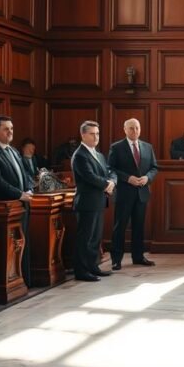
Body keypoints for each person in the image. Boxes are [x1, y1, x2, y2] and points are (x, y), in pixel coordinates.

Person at [0, 115, 34, 284]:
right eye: (6, 129)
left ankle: (22, 279)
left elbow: (23, 173)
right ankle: (8, 282)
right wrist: (19, 194)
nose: (10, 132)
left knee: (21, 243)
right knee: (7, 248)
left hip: (19, 206)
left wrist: (28, 189)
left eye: (11, 128)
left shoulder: (12, 150)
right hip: (1, 209)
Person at [107, 118, 158, 270]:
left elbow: (154, 168)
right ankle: (116, 259)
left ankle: (138, 257)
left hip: (142, 193)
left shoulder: (147, 147)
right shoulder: (116, 147)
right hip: (124, 193)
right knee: (120, 227)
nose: (134, 131)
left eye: (137, 128)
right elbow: (110, 169)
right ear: (125, 129)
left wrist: (147, 177)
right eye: (131, 128)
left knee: (139, 226)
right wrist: (128, 178)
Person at [71, 121, 116, 282]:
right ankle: (81, 271)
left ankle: (93, 267)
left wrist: (112, 182)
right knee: (85, 238)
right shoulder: (80, 155)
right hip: (86, 203)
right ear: (83, 135)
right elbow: (89, 176)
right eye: (92, 133)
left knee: (96, 238)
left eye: (97, 133)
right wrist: (106, 184)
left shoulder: (98, 154)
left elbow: (110, 171)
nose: (96, 136)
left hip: (98, 202)